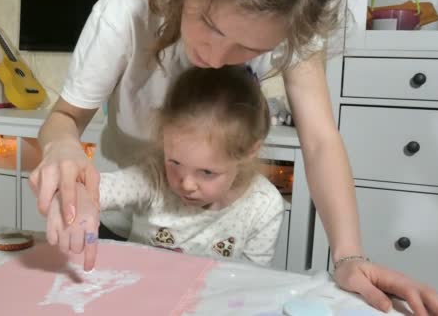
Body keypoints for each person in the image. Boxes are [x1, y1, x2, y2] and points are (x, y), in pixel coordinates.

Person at [29, 0, 438, 314]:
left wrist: (349, 257)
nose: (213, 58)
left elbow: (320, 140)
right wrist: (62, 149)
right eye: (210, 26)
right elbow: (64, 119)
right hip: (122, 225)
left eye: (250, 48)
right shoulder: (125, 9)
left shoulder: (294, 19)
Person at [47, 65, 285, 268]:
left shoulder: (263, 205)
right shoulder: (155, 177)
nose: (186, 184)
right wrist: (76, 194)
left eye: (207, 172)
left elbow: (252, 283)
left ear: (249, 152)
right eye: (175, 162)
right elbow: (101, 189)